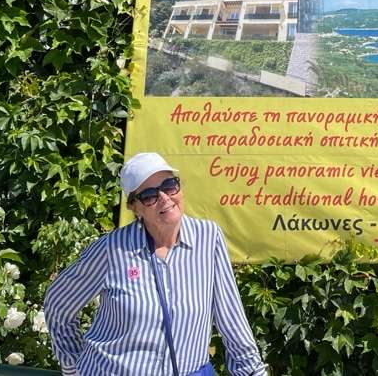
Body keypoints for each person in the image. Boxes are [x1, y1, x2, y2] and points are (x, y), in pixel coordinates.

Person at [45, 152, 266, 376]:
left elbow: (232, 319)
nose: (164, 198)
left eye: (169, 185)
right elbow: (58, 303)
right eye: (149, 195)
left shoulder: (208, 238)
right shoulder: (111, 249)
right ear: (134, 207)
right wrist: (74, 367)